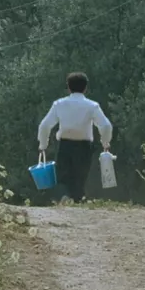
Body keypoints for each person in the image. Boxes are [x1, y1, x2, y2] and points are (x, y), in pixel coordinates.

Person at [36, 72, 112, 204]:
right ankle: (77, 201)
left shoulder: (59, 104)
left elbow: (44, 126)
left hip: (65, 145)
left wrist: (43, 145)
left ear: (68, 87)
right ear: (85, 88)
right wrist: (105, 142)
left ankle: (65, 197)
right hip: (84, 146)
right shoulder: (92, 106)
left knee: (63, 176)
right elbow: (105, 125)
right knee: (80, 177)